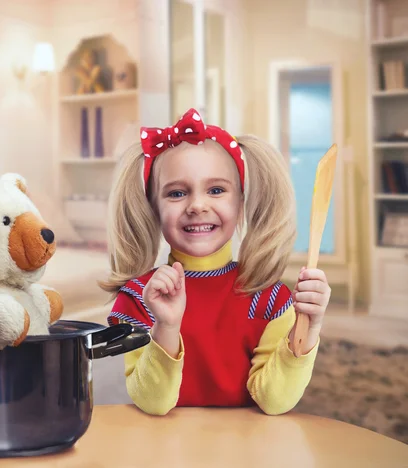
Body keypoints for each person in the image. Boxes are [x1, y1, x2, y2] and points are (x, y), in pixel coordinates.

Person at [98, 108, 331, 416]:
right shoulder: (140, 299)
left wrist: (309, 328)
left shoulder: (267, 299)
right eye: (177, 193)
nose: (197, 205)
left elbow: (275, 401)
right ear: (153, 208)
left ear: (241, 202)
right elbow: (152, 402)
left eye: (217, 190)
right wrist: (166, 326)